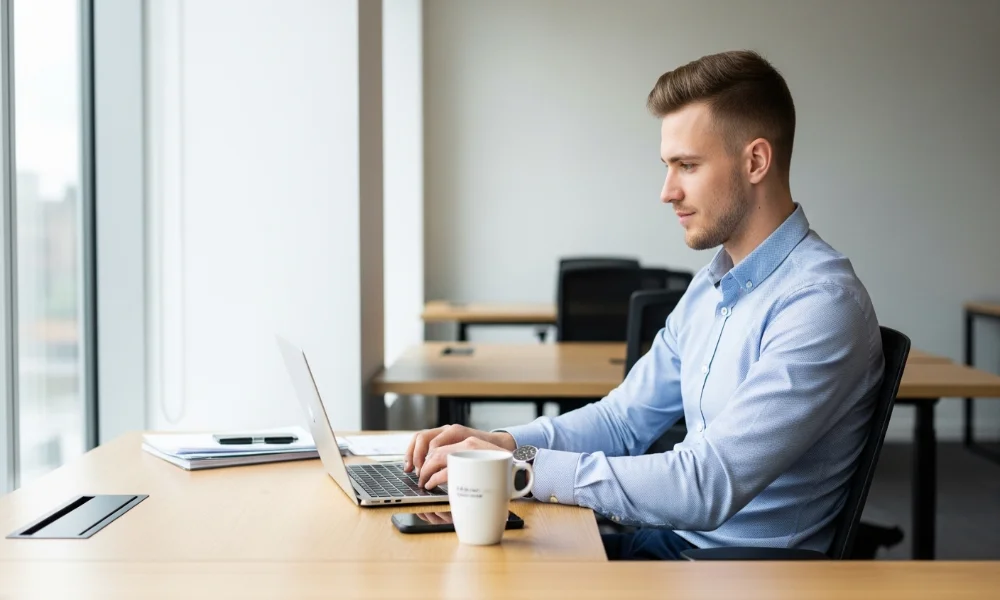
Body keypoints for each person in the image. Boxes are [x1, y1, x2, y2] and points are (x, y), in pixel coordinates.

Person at [403, 49, 884, 560]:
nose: (667, 191)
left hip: (740, 573)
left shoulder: (821, 305)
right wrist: (502, 444)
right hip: (673, 543)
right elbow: (623, 422)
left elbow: (705, 484)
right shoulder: (711, 287)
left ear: (756, 161)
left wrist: (521, 470)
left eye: (688, 166)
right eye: (668, 165)